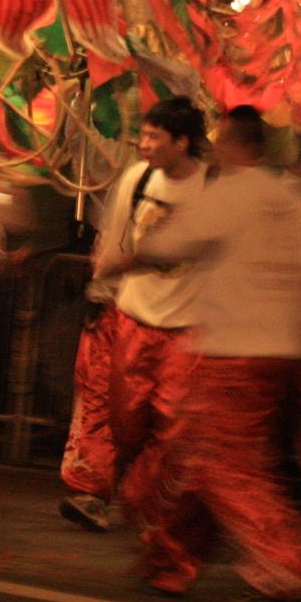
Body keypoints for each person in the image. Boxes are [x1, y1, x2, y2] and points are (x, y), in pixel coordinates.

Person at [116, 105, 301, 600]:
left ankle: (285, 562)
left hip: (234, 351)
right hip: (284, 350)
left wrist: (126, 259)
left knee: (228, 463)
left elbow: (171, 243)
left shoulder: (235, 192)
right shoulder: (296, 199)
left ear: (229, 143)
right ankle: (168, 560)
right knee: (199, 456)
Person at [60, 96, 208, 532]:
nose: (143, 144)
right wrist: (100, 291)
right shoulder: (137, 179)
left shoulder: (212, 188)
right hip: (132, 319)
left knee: (173, 424)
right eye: (142, 134)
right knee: (126, 420)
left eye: (153, 136)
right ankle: (130, 497)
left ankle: (153, 506)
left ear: (182, 142)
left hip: (186, 329)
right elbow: (115, 242)